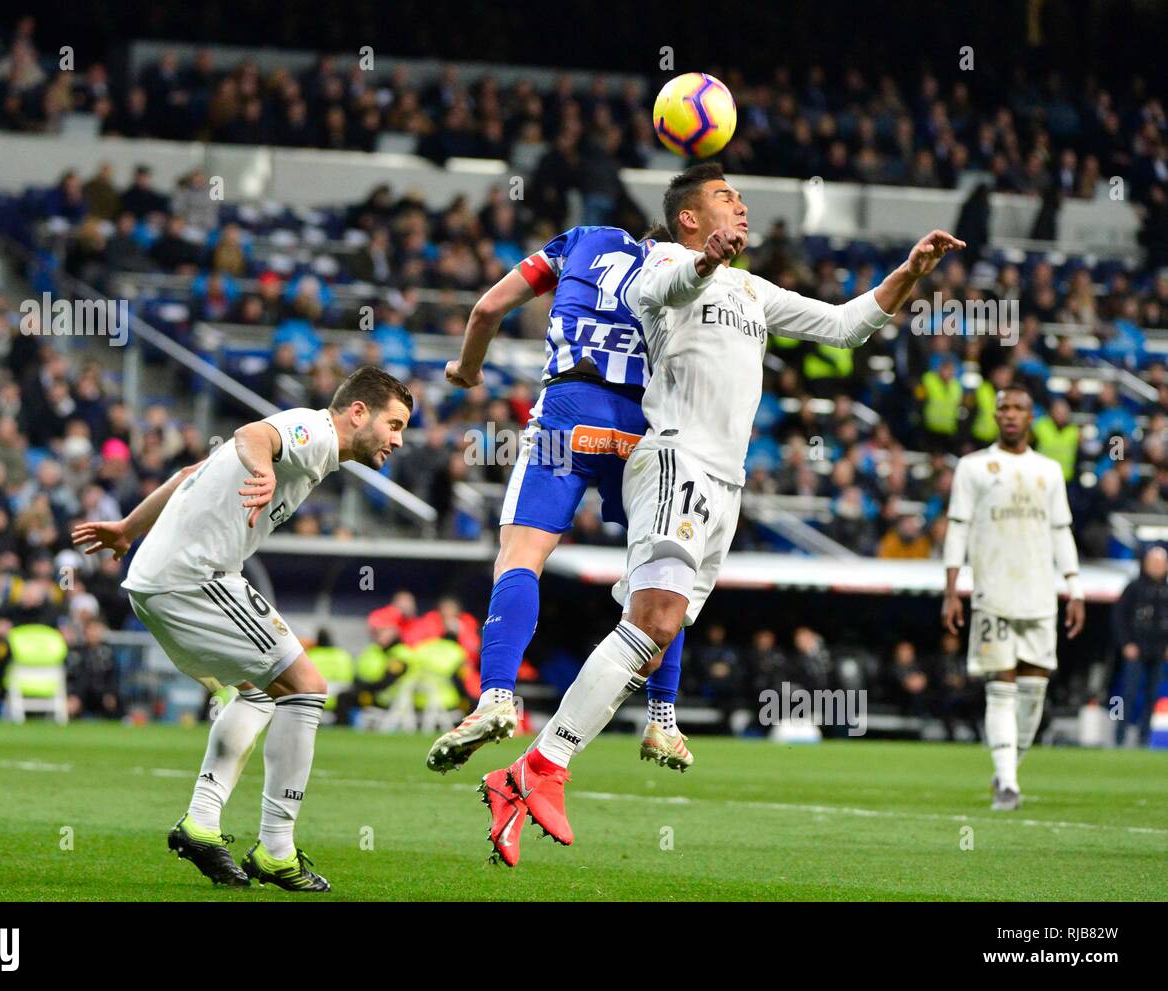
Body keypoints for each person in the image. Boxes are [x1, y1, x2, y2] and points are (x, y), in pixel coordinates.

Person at [480, 161, 963, 866]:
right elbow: (662, 288)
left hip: (725, 485)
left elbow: (845, 326)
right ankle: (541, 766)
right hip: (674, 457)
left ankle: (523, 780)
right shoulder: (663, 264)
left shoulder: (751, 288)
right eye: (724, 197)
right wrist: (702, 261)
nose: (740, 206)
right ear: (688, 217)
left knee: (652, 636)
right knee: (652, 619)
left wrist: (909, 272)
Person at [72, 366, 411, 892]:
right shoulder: (315, 431)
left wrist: (127, 528)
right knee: (308, 688)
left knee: (257, 694)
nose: (398, 439)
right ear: (358, 412)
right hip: (195, 580)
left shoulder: (317, 449)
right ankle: (276, 849)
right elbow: (250, 436)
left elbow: (191, 473)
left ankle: (201, 825)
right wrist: (264, 468)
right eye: (394, 424)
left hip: (162, 582)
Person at [425, 222, 691, 778]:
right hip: (644, 425)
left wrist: (467, 370)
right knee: (661, 576)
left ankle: (496, 696)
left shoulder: (581, 240)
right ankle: (663, 719)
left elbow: (486, 310)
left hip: (569, 409)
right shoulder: (691, 271)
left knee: (520, 558)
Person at [941, 383, 1085, 811]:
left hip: (1041, 594)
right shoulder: (972, 467)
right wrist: (952, 590)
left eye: (1019, 408)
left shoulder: (1049, 471)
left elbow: (1062, 531)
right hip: (993, 594)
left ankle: (1008, 770)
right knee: (1000, 686)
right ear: (995, 415)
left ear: (1031, 416)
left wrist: (1074, 589)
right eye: (1003, 408)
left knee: (1034, 692)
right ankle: (1007, 783)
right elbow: (957, 527)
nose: (1010, 415)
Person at [1109, 545, 1168, 746]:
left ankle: (1144, 738)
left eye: (1161, 563)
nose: (1157, 567)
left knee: (1153, 695)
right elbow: (1119, 617)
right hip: (1135, 650)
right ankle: (1118, 735)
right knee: (1126, 694)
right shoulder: (1134, 587)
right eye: (1153, 562)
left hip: (1159, 651)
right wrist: (1126, 643)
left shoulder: (1166, 590)